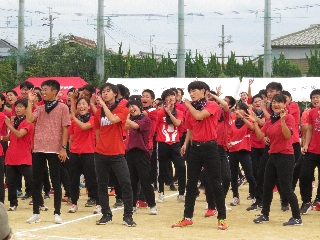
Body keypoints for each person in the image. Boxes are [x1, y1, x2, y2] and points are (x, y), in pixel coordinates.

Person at [172, 81, 228, 230]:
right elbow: (190, 128)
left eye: (194, 90)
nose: (191, 93)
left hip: (210, 148)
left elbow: (199, 116)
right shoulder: (190, 109)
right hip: (195, 148)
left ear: (203, 91)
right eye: (190, 91)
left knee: (216, 183)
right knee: (191, 184)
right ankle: (187, 217)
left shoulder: (212, 105)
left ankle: (221, 218)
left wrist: (188, 105)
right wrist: (185, 144)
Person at [250, 94, 302, 226]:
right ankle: (265, 214)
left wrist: (283, 120)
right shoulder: (270, 120)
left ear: (285, 104)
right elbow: (261, 135)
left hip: (285, 156)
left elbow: (286, 135)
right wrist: (255, 122)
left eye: (279, 102)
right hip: (272, 156)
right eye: (274, 102)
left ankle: (297, 217)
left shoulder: (288, 117)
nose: (276, 104)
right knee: (267, 186)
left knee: (286, 188)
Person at [26, 79, 70, 224]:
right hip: (39, 148)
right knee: (36, 181)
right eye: (42, 89)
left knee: (56, 181)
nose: (43, 92)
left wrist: (63, 148)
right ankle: (36, 213)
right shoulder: (39, 107)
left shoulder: (63, 107)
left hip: (55, 149)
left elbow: (65, 128)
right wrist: (29, 102)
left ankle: (57, 213)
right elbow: (29, 119)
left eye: (46, 89)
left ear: (54, 91)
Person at [94, 83, 136, 227]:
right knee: (101, 184)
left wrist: (102, 106)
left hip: (117, 152)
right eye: (103, 92)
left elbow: (113, 120)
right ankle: (106, 214)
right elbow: (98, 130)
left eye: (108, 91)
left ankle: (128, 215)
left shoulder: (122, 109)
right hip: (100, 153)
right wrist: (98, 146)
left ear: (115, 93)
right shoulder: (98, 112)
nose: (104, 94)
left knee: (126, 183)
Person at [68, 97, 100, 214]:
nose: (81, 107)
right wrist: (71, 150)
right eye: (79, 104)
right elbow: (71, 138)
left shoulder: (92, 119)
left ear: (88, 107)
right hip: (75, 153)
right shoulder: (73, 122)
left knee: (91, 180)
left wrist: (73, 118)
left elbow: (85, 127)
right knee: (74, 180)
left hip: (89, 153)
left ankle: (98, 203)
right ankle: (74, 203)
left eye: (84, 104)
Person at [125, 100, 157, 215]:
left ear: (139, 107)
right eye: (129, 107)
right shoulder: (131, 120)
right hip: (130, 153)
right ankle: (132, 205)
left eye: (133, 106)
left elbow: (136, 126)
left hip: (142, 153)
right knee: (132, 181)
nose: (131, 109)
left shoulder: (145, 119)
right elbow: (124, 127)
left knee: (145, 180)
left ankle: (152, 205)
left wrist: (125, 118)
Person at [155, 89, 186, 203]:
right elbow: (155, 127)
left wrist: (169, 113)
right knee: (162, 168)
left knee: (181, 167)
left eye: (172, 96)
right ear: (164, 100)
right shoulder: (159, 113)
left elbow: (177, 123)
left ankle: (181, 193)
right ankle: (161, 193)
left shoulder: (179, 112)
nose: (171, 98)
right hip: (162, 143)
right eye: (168, 96)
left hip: (175, 143)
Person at [3, 99, 34, 211]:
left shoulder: (28, 123)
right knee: (11, 182)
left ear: (26, 109)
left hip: (24, 157)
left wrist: (8, 125)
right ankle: (13, 203)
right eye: (16, 107)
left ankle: (38, 202)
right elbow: (10, 137)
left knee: (31, 181)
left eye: (21, 107)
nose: (18, 109)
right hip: (11, 156)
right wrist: (2, 137)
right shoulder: (14, 122)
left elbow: (19, 134)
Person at [228, 103, 256, 206]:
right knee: (233, 176)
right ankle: (235, 197)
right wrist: (228, 142)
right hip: (233, 151)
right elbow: (229, 134)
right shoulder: (232, 122)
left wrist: (243, 117)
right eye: (237, 109)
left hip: (244, 151)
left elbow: (251, 128)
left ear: (245, 111)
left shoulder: (248, 120)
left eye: (241, 109)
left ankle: (254, 196)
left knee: (249, 175)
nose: (238, 111)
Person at [300, 89, 320, 214]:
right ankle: (306, 202)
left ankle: (318, 200)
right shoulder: (312, 112)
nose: (315, 100)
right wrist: (306, 145)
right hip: (312, 149)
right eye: (313, 98)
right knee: (304, 175)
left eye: (317, 97)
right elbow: (310, 130)